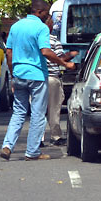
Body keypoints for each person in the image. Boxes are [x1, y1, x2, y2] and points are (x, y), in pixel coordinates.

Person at [0, 0, 76, 161]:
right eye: (46, 14)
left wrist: (13, 75)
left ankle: (7, 146)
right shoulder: (41, 28)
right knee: (38, 113)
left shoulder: (15, 26)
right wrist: (64, 63)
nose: (47, 17)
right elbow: (46, 52)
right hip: (37, 76)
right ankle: (32, 151)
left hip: (19, 74)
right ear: (40, 12)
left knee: (18, 112)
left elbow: (9, 53)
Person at [44, 15, 78, 146]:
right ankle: (56, 136)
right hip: (52, 77)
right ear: (49, 26)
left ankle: (38, 138)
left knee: (38, 110)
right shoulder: (52, 40)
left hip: (36, 78)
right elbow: (60, 58)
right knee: (54, 108)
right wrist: (71, 55)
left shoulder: (32, 39)